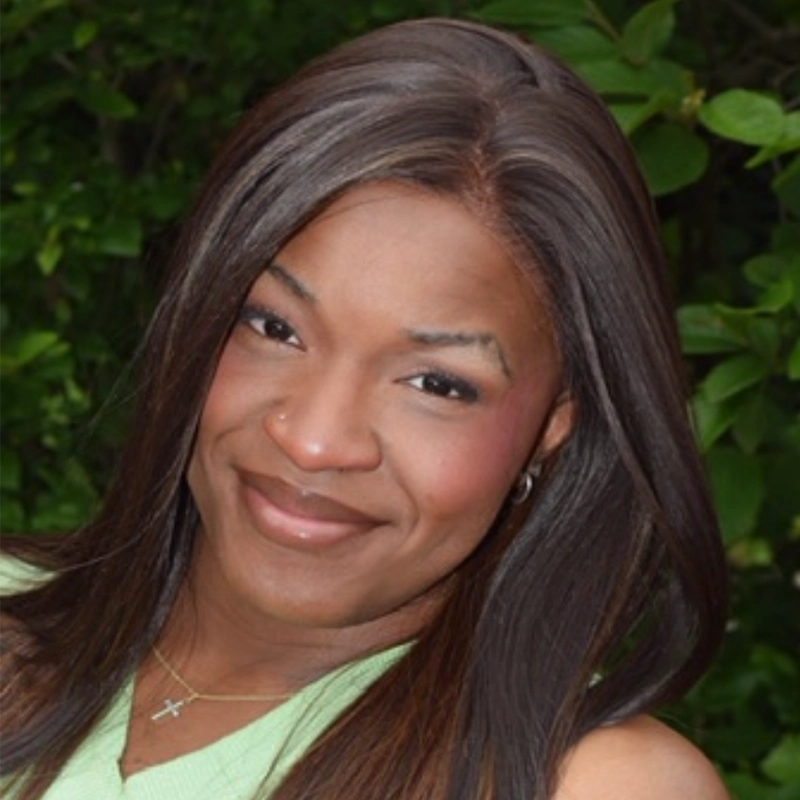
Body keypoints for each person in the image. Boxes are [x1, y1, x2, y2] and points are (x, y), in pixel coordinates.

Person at [0, 17, 730, 800]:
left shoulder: (589, 783)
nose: (314, 441)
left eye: (437, 384)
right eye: (273, 327)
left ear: (554, 424)